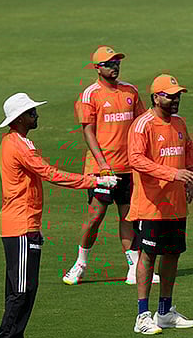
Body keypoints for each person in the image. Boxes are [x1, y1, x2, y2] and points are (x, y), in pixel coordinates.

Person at [0, 93, 118, 338]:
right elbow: (50, 173)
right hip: (20, 226)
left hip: (25, 225)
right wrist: (94, 180)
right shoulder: (17, 145)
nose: (36, 115)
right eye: (32, 112)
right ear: (20, 118)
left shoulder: (18, 142)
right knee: (21, 291)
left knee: (25, 289)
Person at [63, 46, 158, 286]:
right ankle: (80, 264)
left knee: (128, 217)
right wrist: (103, 164)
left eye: (116, 62)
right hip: (101, 171)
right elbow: (88, 132)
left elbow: (141, 124)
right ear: (97, 68)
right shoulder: (90, 95)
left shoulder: (130, 91)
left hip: (129, 168)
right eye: (108, 63)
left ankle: (133, 267)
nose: (114, 67)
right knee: (95, 217)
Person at [127, 74, 193, 335]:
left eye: (178, 94)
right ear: (156, 97)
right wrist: (172, 174)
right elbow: (135, 159)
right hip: (151, 205)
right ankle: (142, 315)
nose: (175, 99)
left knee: (172, 254)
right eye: (170, 95)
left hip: (176, 204)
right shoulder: (142, 125)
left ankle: (165, 312)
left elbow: (188, 150)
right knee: (148, 256)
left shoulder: (180, 123)